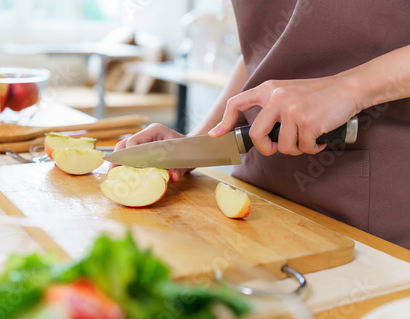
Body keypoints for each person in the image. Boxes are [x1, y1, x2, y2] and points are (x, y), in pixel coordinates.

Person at [111, 1, 410, 249]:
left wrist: (349, 88)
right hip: (258, 204)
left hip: (368, 224)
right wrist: (196, 143)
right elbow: (269, 47)